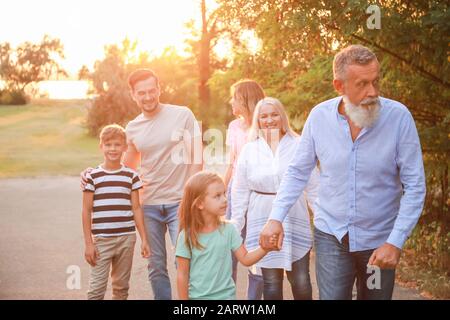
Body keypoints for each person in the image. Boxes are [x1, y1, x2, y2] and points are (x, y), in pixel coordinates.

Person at [259, 45, 426, 300]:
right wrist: (275, 218)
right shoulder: (319, 117)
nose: (372, 92)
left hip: (379, 240)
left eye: (375, 82)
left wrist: (395, 241)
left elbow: (415, 186)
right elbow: (297, 172)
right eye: (362, 84)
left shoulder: (398, 118)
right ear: (339, 86)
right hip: (332, 236)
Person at [81, 69, 203, 300]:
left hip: (180, 202)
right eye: (141, 93)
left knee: (185, 261)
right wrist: (91, 171)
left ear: (159, 89)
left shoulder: (183, 115)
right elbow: (122, 168)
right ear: (133, 95)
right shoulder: (133, 128)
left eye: (151, 91)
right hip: (148, 205)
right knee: (156, 266)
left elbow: (197, 157)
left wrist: (191, 197)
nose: (147, 97)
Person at [232, 97, 319, 300]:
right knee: (270, 283)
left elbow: (314, 185)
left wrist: (323, 220)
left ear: (282, 117)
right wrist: (236, 224)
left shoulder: (298, 144)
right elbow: (240, 190)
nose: (269, 120)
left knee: (301, 281)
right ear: (257, 120)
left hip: (293, 214)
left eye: (274, 114)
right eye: (263, 116)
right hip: (261, 218)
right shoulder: (249, 149)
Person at [175, 171, 276, 300]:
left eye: (224, 194)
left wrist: (265, 248)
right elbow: (182, 274)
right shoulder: (186, 236)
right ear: (200, 203)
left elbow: (245, 258)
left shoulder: (229, 230)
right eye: (217, 196)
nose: (224, 199)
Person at [81, 124, 151, 300]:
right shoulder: (93, 177)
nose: (113, 148)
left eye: (117, 144)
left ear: (125, 148)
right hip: (102, 241)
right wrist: (89, 243)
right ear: (101, 146)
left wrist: (144, 239)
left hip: (126, 239)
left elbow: (136, 208)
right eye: (108, 144)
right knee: (96, 290)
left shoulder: (131, 176)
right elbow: (86, 210)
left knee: (121, 289)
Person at [223, 79, 266, 300]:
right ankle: (225, 297)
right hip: (235, 192)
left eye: (234, 97)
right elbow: (232, 162)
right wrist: (222, 191)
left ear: (245, 100)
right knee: (229, 244)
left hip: (259, 194)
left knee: (255, 246)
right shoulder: (233, 127)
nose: (231, 101)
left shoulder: (265, 124)